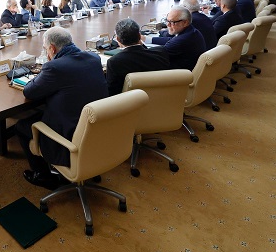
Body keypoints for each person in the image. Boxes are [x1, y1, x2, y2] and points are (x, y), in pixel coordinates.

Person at [15, 27, 107, 190]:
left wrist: (43, 71)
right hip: (96, 129)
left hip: (69, 136)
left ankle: (43, 176)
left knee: (22, 126)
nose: (46, 53)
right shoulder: (93, 58)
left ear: (52, 48)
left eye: (46, 49)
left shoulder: (54, 67)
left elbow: (29, 91)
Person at [106, 18, 170, 96]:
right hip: (161, 98)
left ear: (118, 39)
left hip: (132, 101)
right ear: (140, 36)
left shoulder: (114, 62)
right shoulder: (160, 52)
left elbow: (112, 93)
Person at [154, 6, 207, 70]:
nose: (168, 25)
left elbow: (154, 57)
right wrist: (148, 39)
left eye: (172, 22)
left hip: (178, 74)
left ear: (185, 22)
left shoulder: (182, 40)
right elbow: (171, 40)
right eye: (167, 21)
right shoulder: (192, 32)